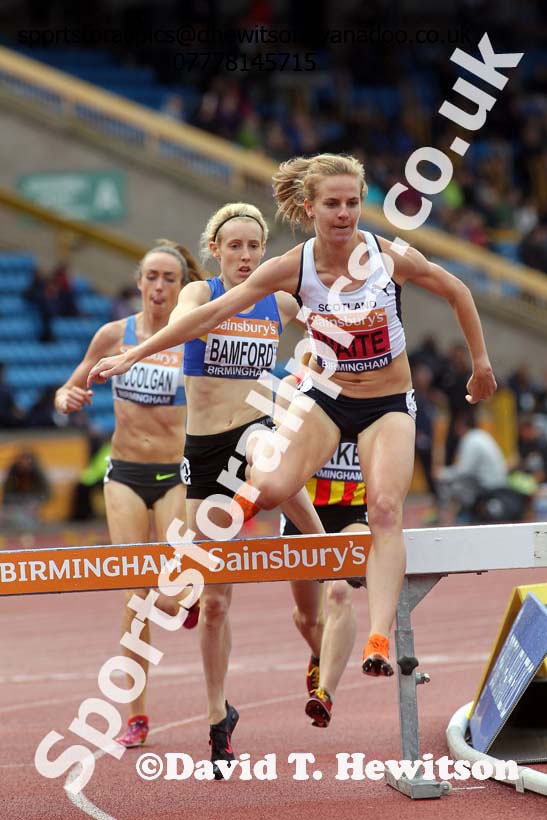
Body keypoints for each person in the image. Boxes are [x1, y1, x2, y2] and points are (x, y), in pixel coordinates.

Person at [88, 153, 496, 701]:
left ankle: (377, 638)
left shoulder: (387, 256)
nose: (345, 214)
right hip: (328, 399)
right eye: (333, 204)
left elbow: (458, 292)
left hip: (386, 404)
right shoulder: (292, 268)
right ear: (311, 209)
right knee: (276, 487)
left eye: (353, 203)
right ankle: (229, 518)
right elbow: (208, 315)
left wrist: (482, 364)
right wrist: (135, 355)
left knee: (385, 509)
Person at [165, 202, 352, 777]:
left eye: (255, 247)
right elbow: (183, 325)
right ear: (216, 251)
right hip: (202, 451)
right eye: (235, 247)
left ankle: (327, 555)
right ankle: (219, 714)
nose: (246, 257)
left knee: (263, 452)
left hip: (256, 431)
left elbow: (337, 317)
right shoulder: (198, 296)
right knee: (214, 602)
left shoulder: (282, 299)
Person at [55, 240, 205, 747]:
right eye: (152, 277)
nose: (160, 287)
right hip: (123, 473)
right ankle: (137, 714)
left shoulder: (191, 339)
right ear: (138, 282)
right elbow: (68, 388)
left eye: (170, 278)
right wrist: (69, 395)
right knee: (135, 593)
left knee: (180, 575)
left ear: (182, 286)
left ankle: (187, 594)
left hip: (174, 475)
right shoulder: (112, 334)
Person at [279, 369, 367, 729]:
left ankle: (325, 693)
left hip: (352, 511)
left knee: (341, 589)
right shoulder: (290, 386)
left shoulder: (373, 383)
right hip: (305, 512)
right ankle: (319, 652)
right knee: (308, 617)